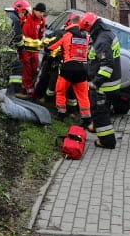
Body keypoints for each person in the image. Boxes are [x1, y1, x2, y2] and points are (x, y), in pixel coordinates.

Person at [79, 12, 120, 149]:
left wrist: (95, 82)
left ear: (89, 26)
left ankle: (107, 141)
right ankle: (97, 127)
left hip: (104, 85)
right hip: (111, 83)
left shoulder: (102, 40)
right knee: (103, 110)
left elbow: (107, 65)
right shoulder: (105, 34)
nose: (85, 33)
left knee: (100, 113)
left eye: (85, 30)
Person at [46, 13, 91, 126]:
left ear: (70, 22)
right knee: (83, 96)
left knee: (60, 91)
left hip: (68, 69)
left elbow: (50, 47)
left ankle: (61, 114)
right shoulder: (86, 37)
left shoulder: (66, 35)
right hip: (82, 70)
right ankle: (86, 119)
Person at [18, 1, 47, 98]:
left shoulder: (42, 20)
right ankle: (27, 90)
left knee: (34, 70)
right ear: (35, 10)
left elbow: (41, 34)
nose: (41, 14)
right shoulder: (27, 17)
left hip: (34, 50)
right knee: (26, 69)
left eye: (43, 13)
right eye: (40, 12)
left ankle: (28, 89)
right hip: (25, 49)